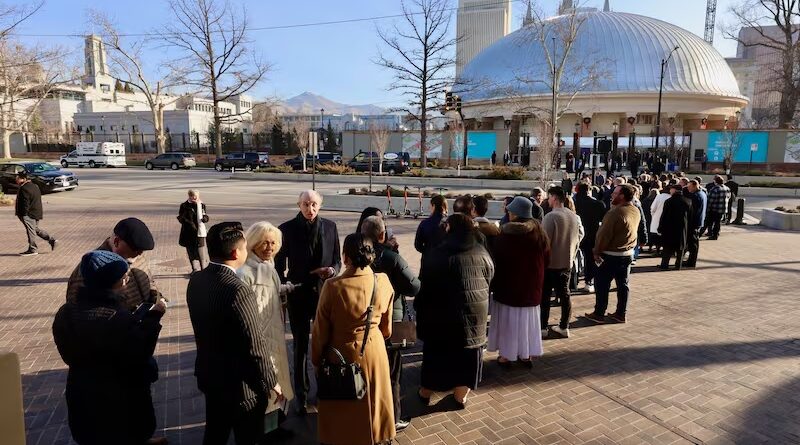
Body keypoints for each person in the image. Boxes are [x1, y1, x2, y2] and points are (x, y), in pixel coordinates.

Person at [53, 250, 167, 445]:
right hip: (120, 400)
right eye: (123, 277)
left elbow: (67, 352)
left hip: (81, 393)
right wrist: (154, 317)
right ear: (111, 282)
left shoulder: (65, 313)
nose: (127, 280)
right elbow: (140, 353)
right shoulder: (116, 318)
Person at [187, 222, 283, 445]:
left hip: (210, 376)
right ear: (235, 252)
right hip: (242, 388)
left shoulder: (197, 280)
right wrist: (271, 382)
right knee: (248, 436)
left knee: (215, 433)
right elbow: (255, 344)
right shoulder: (238, 289)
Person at [311, 233, 395, 445]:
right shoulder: (382, 281)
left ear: (345, 257)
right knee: (376, 402)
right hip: (374, 349)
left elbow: (320, 331)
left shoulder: (333, 286)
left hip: (341, 353)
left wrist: (316, 359)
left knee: (345, 408)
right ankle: (376, 436)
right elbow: (387, 329)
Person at [415, 214, 494, 408]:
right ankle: (461, 396)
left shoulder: (437, 254)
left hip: (442, 320)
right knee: (467, 360)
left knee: (436, 357)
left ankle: (426, 392)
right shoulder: (482, 252)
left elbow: (425, 287)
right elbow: (490, 277)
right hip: (474, 318)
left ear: (449, 229)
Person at [275, 190, 341, 414]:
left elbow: (337, 261)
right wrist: (284, 284)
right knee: (300, 347)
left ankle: (325, 390)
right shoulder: (286, 229)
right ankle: (301, 396)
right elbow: (278, 263)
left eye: (314, 204)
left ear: (320, 205)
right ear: (298, 204)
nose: (309, 209)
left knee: (325, 344)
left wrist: (332, 270)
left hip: (324, 295)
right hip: (298, 296)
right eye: (305, 204)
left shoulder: (331, 227)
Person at [360, 216, 420, 432]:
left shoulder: (357, 255)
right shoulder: (392, 257)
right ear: (383, 235)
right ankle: (392, 417)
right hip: (390, 320)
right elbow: (414, 287)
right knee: (392, 372)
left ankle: (367, 412)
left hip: (363, 321)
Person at [237, 222, 295, 438]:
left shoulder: (267, 265)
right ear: (253, 243)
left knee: (277, 379)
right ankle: (265, 432)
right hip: (260, 337)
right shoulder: (246, 272)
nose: (269, 247)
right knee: (267, 380)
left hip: (273, 331)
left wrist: (284, 288)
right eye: (264, 243)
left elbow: (268, 291)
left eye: (273, 243)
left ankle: (275, 426)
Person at [489, 197, 549, 366]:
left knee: (509, 322)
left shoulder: (506, 233)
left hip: (509, 286)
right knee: (527, 322)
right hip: (531, 287)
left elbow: (497, 259)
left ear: (515, 214)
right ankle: (526, 354)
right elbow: (547, 258)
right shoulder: (539, 232)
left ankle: (507, 355)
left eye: (509, 211)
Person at [66, 217, 161, 311]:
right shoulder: (91, 269)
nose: (140, 253)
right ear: (116, 241)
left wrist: (156, 298)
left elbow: (149, 281)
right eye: (136, 249)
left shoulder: (136, 255)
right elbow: (76, 309)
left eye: (142, 250)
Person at [585, 184, 641, 324]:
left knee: (602, 285)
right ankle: (621, 313)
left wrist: (596, 251)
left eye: (615, 193)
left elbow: (603, 235)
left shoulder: (614, 213)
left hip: (610, 255)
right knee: (623, 285)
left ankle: (599, 313)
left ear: (622, 196)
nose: (612, 195)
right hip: (627, 254)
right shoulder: (635, 210)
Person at [541, 187, 583, 338]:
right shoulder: (573, 216)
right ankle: (564, 326)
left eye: (549, 197)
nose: (547, 200)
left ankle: (543, 327)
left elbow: (544, 243)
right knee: (565, 295)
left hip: (550, 264)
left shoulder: (550, 217)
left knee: (545, 297)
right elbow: (578, 239)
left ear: (554, 197)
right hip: (567, 263)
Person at [574, 181, 607, 293]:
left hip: (576, 234)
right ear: (589, 190)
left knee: (574, 257)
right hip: (592, 235)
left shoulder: (573, 202)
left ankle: (573, 281)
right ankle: (589, 281)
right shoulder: (598, 204)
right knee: (590, 259)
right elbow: (603, 220)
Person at [14, 170, 57, 256]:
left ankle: (33, 249)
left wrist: (23, 214)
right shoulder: (35, 186)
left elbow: (25, 203)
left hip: (28, 214)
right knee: (35, 229)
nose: (16, 180)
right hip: (36, 212)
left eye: (18, 178)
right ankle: (51, 240)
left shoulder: (24, 188)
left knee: (31, 231)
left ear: (23, 179)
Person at [658, 185, 691, 270]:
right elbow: (691, 217)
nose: (670, 191)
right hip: (682, 228)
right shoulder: (688, 201)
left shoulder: (669, 201)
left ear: (674, 190)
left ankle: (664, 265)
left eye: (671, 190)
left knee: (667, 248)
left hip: (669, 228)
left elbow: (663, 216)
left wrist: (660, 227)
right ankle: (678, 265)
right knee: (680, 248)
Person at [178, 189, 210, 272]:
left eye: (196, 196)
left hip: (199, 232)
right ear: (189, 196)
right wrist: (187, 221)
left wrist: (205, 218)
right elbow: (180, 218)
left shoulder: (201, 205)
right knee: (191, 252)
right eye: (193, 196)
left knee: (201, 254)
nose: (195, 197)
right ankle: (194, 270)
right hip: (188, 233)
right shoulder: (184, 205)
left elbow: (205, 215)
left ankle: (203, 271)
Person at [414, 194, 447, 263]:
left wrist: (427, 252)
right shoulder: (450, 222)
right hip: (446, 260)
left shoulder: (425, 223)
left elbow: (418, 245)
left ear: (434, 206)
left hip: (428, 259)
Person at [683, 180, 707, 268]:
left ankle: (691, 262)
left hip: (694, 222)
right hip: (698, 221)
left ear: (694, 186)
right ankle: (690, 260)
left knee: (693, 243)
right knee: (693, 243)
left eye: (689, 187)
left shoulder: (695, 196)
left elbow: (692, 211)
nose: (688, 188)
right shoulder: (702, 193)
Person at [706, 175, 731, 240]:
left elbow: (710, 200)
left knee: (710, 222)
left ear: (715, 181)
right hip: (722, 208)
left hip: (714, 208)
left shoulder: (715, 189)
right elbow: (729, 197)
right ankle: (716, 234)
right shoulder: (727, 188)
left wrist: (707, 208)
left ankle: (711, 234)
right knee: (717, 222)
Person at [648, 186, 670, 254]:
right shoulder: (671, 197)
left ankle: (657, 250)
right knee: (665, 235)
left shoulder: (659, 196)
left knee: (657, 236)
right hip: (667, 219)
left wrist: (653, 215)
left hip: (657, 218)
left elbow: (652, 208)